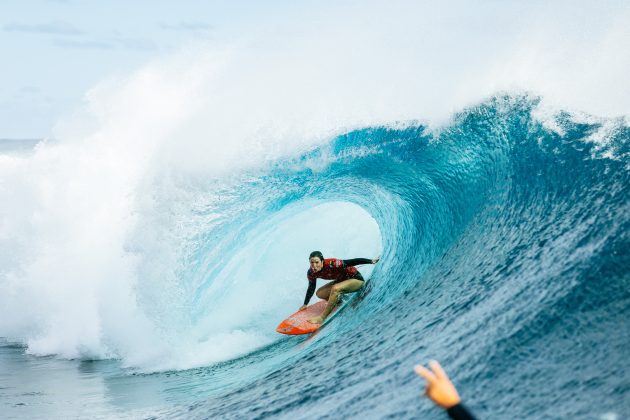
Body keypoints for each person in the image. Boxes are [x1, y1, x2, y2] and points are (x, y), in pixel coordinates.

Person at [300, 251, 379, 324]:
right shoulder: (311, 273)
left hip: (356, 279)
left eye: (317, 262)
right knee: (320, 293)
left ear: (322, 261)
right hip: (341, 281)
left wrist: (371, 261)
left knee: (335, 288)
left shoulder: (332, 263)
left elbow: (352, 261)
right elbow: (311, 287)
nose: (314, 265)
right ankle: (340, 300)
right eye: (311, 263)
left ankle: (322, 317)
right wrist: (305, 304)